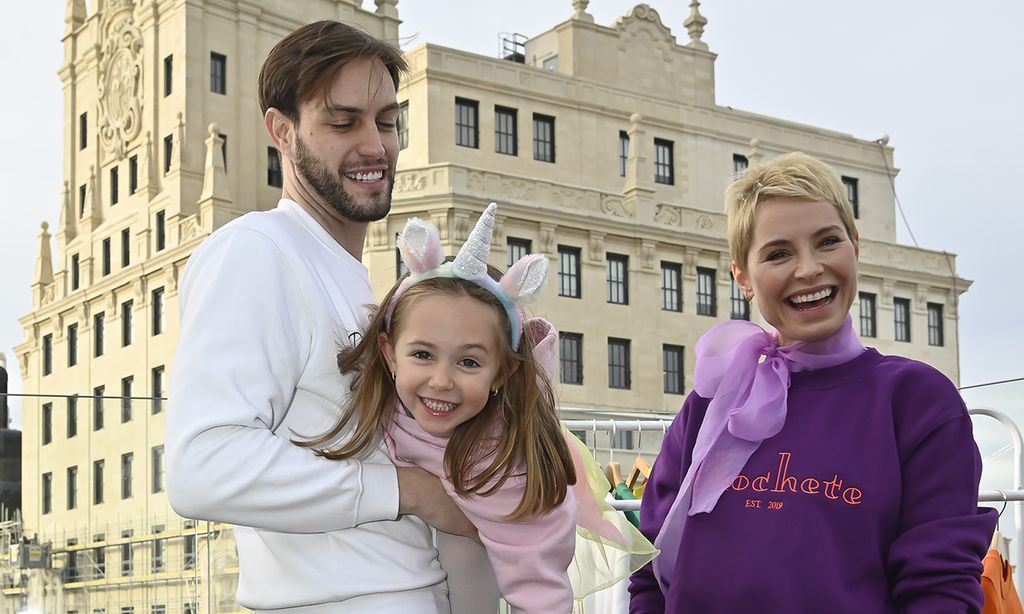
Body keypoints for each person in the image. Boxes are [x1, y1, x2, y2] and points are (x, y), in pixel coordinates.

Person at [165, 21, 477, 613]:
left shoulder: (345, 274)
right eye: (343, 121)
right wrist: (411, 492)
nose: (375, 145)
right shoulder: (256, 250)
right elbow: (202, 465)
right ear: (281, 130)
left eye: (387, 121)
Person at [629, 152, 996, 613]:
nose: (808, 269)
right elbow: (650, 565)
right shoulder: (711, 404)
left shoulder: (915, 402)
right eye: (779, 253)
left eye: (827, 242)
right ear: (742, 276)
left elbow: (939, 587)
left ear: (855, 246)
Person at [298, 203, 657, 613]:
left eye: (468, 362)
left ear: (501, 374)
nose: (441, 380)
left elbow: (538, 586)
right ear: (388, 353)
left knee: (466, 556)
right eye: (422, 354)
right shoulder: (369, 396)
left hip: (474, 581)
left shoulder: (506, 472)